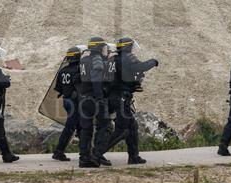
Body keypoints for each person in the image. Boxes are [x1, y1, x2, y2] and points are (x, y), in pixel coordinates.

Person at [102, 36, 158, 165]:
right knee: (122, 129)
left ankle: (133, 156)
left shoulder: (113, 59)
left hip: (116, 96)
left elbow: (123, 76)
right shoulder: (127, 57)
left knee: (132, 126)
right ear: (128, 47)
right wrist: (153, 61)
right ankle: (97, 153)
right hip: (120, 96)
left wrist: (132, 85)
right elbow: (140, 67)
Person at [77, 36, 112, 168]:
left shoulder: (83, 59)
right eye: (103, 46)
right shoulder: (97, 60)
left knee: (86, 129)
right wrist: (100, 98)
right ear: (98, 48)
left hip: (83, 98)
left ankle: (84, 159)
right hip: (93, 98)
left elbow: (78, 78)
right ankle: (96, 156)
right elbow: (96, 80)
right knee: (106, 126)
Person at [50, 45, 85, 161]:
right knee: (70, 127)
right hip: (75, 102)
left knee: (80, 126)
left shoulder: (63, 70)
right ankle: (58, 152)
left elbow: (58, 89)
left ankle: (85, 152)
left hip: (66, 100)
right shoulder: (80, 70)